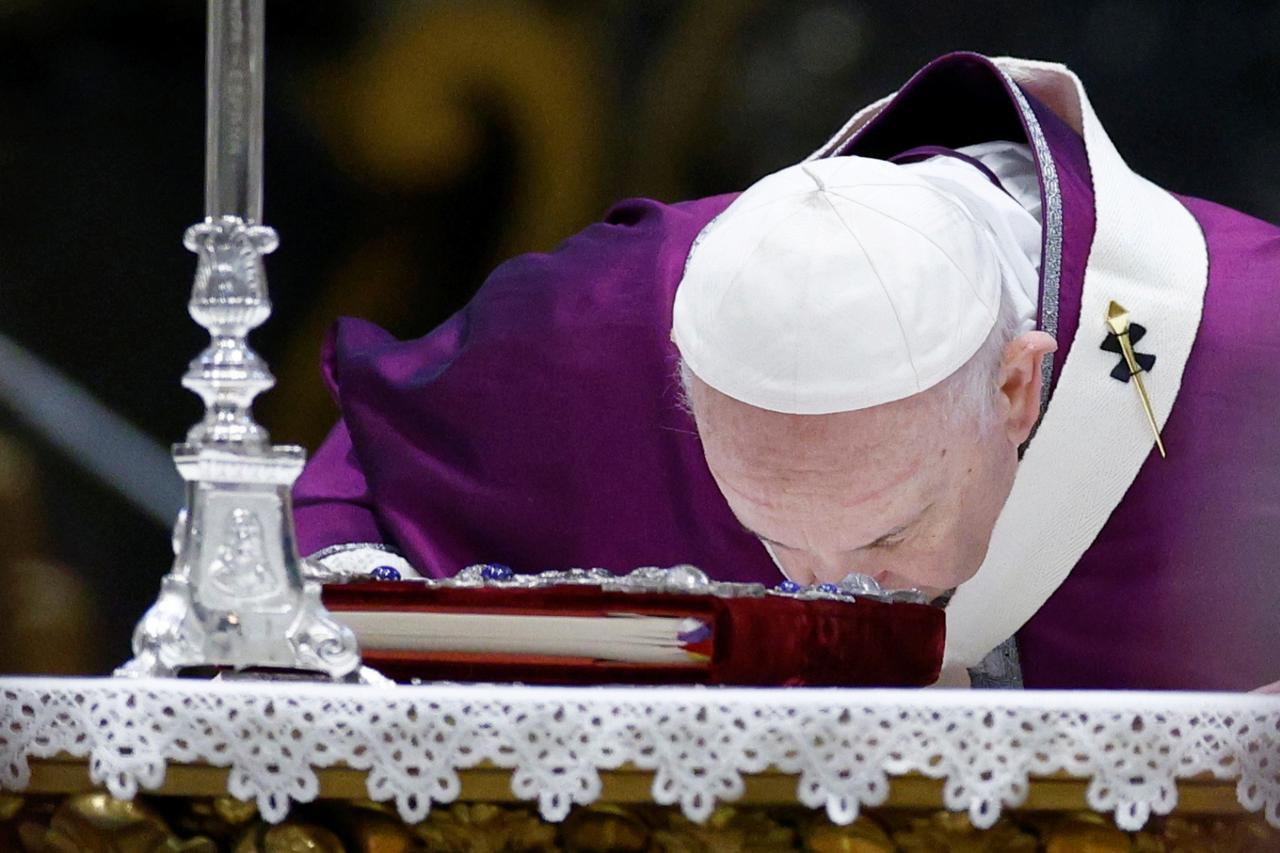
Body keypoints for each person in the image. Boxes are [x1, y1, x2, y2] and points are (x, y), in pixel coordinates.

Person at [294, 53, 1280, 691]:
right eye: (770, 532)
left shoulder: (1249, 350)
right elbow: (350, 509)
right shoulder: (606, 323)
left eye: (889, 532)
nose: (832, 600)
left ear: (1016, 388)